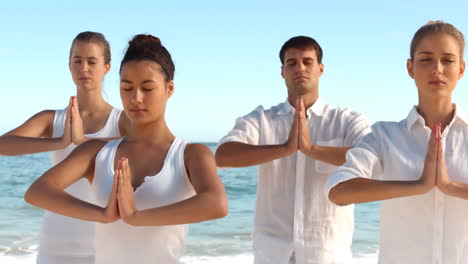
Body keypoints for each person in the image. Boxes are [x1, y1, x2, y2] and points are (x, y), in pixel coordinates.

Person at [24, 34, 228, 264]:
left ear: (169, 89)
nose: (136, 98)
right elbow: (37, 192)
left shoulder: (191, 154)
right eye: (127, 87)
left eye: (147, 88)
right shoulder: (96, 152)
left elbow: (216, 204)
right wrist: (102, 215)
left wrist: (136, 217)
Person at [216, 36, 370, 264]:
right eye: (292, 63)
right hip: (272, 254)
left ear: (321, 68)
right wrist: (284, 148)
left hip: (328, 254)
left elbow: (370, 159)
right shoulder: (262, 119)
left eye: (307, 62)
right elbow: (223, 156)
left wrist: (312, 149)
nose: (300, 68)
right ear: (282, 71)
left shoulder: (346, 120)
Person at [325, 21, 467, 263]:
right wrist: (418, 186)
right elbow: (338, 191)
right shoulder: (384, 136)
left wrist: (449, 186)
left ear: (461, 69)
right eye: (426, 59)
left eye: (448, 60)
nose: (437, 69)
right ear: (410, 68)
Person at [0, 31, 128, 264]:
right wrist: (59, 141)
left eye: (92, 61)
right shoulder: (53, 119)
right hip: (55, 243)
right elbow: (3, 145)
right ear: (69, 66)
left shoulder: (123, 121)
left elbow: (143, 150)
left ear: (107, 67)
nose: (84, 68)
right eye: (77, 61)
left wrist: (82, 142)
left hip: (106, 244)